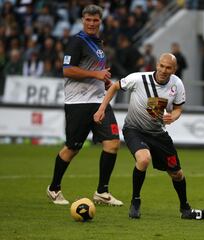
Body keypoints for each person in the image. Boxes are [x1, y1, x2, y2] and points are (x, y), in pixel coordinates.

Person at [93, 53, 199, 219]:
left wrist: (174, 116)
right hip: (134, 129)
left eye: (168, 67)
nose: (164, 70)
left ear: (174, 69)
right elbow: (114, 87)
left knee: (177, 174)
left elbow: (178, 108)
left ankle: (185, 208)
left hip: (158, 133)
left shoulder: (177, 84)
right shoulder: (138, 78)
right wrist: (101, 109)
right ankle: (135, 201)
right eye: (162, 66)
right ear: (157, 65)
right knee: (143, 159)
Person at [46, 4, 123, 206]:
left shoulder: (98, 43)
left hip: (99, 102)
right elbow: (67, 70)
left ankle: (102, 192)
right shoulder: (77, 41)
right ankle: (54, 188)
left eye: (95, 20)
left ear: (100, 21)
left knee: (113, 143)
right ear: (82, 20)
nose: (91, 23)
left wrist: (103, 80)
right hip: (78, 102)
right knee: (72, 148)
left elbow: (94, 71)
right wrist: (95, 74)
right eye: (88, 19)